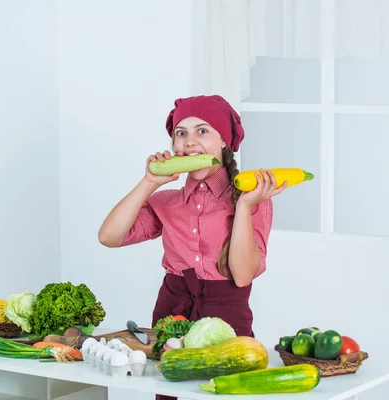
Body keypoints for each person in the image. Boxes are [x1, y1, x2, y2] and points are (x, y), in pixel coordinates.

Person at [98, 95, 286, 400]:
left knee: (225, 394)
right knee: (170, 392)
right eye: (181, 133)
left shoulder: (253, 201)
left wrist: (243, 207)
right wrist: (148, 183)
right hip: (172, 316)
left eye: (202, 131)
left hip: (227, 320)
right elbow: (109, 236)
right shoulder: (165, 202)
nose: (190, 142)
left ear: (224, 141)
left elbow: (242, 276)